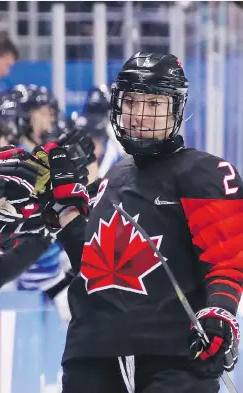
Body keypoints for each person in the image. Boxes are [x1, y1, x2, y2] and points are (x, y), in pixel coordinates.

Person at [41, 52, 242, 392]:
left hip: (174, 356)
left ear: (175, 109)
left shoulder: (205, 174)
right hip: (92, 354)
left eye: (153, 104)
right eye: (132, 103)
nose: (140, 115)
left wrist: (220, 312)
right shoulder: (106, 183)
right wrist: (64, 212)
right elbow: (95, 271)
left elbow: (225, 259)